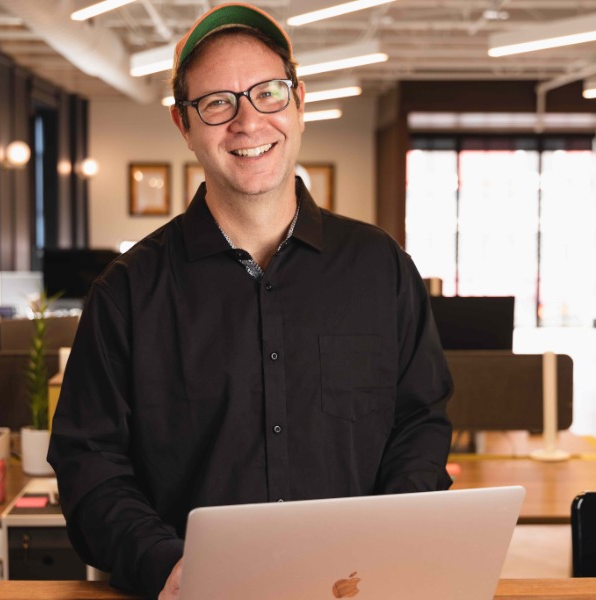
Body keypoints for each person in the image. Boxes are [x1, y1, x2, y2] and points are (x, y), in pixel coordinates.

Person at [48, 3, 453, 599]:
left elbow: (420, 423)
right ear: (183, 124)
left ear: (299, 101)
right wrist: (164, 565)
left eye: (267, 92)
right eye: (217, 102)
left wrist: (389, 542)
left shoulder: (380, 268)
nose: (248, 121)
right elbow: (89, 462)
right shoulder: (127, 292)